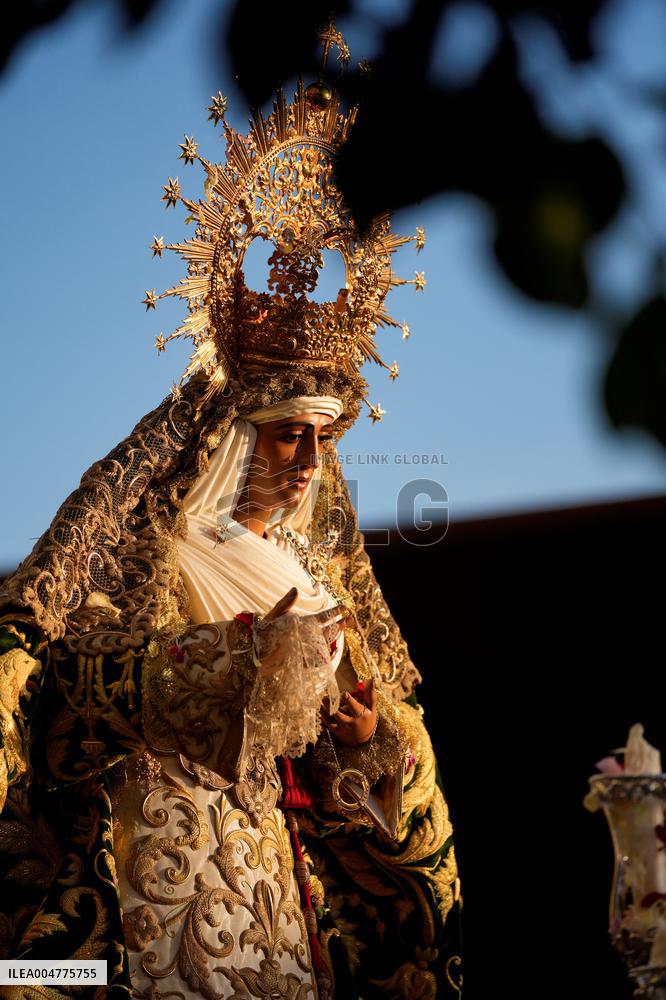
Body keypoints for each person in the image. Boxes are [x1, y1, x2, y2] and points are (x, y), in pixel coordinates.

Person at [0, 24, 463, 999]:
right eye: (288, 431)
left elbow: (386, 780)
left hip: (283, 892)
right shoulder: (145, 549)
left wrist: (364, 729)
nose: (307, 462)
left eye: (324, 437)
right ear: (232, 431)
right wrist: (225, 670)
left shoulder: (313, 572)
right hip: (158, 872)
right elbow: (55, 684)